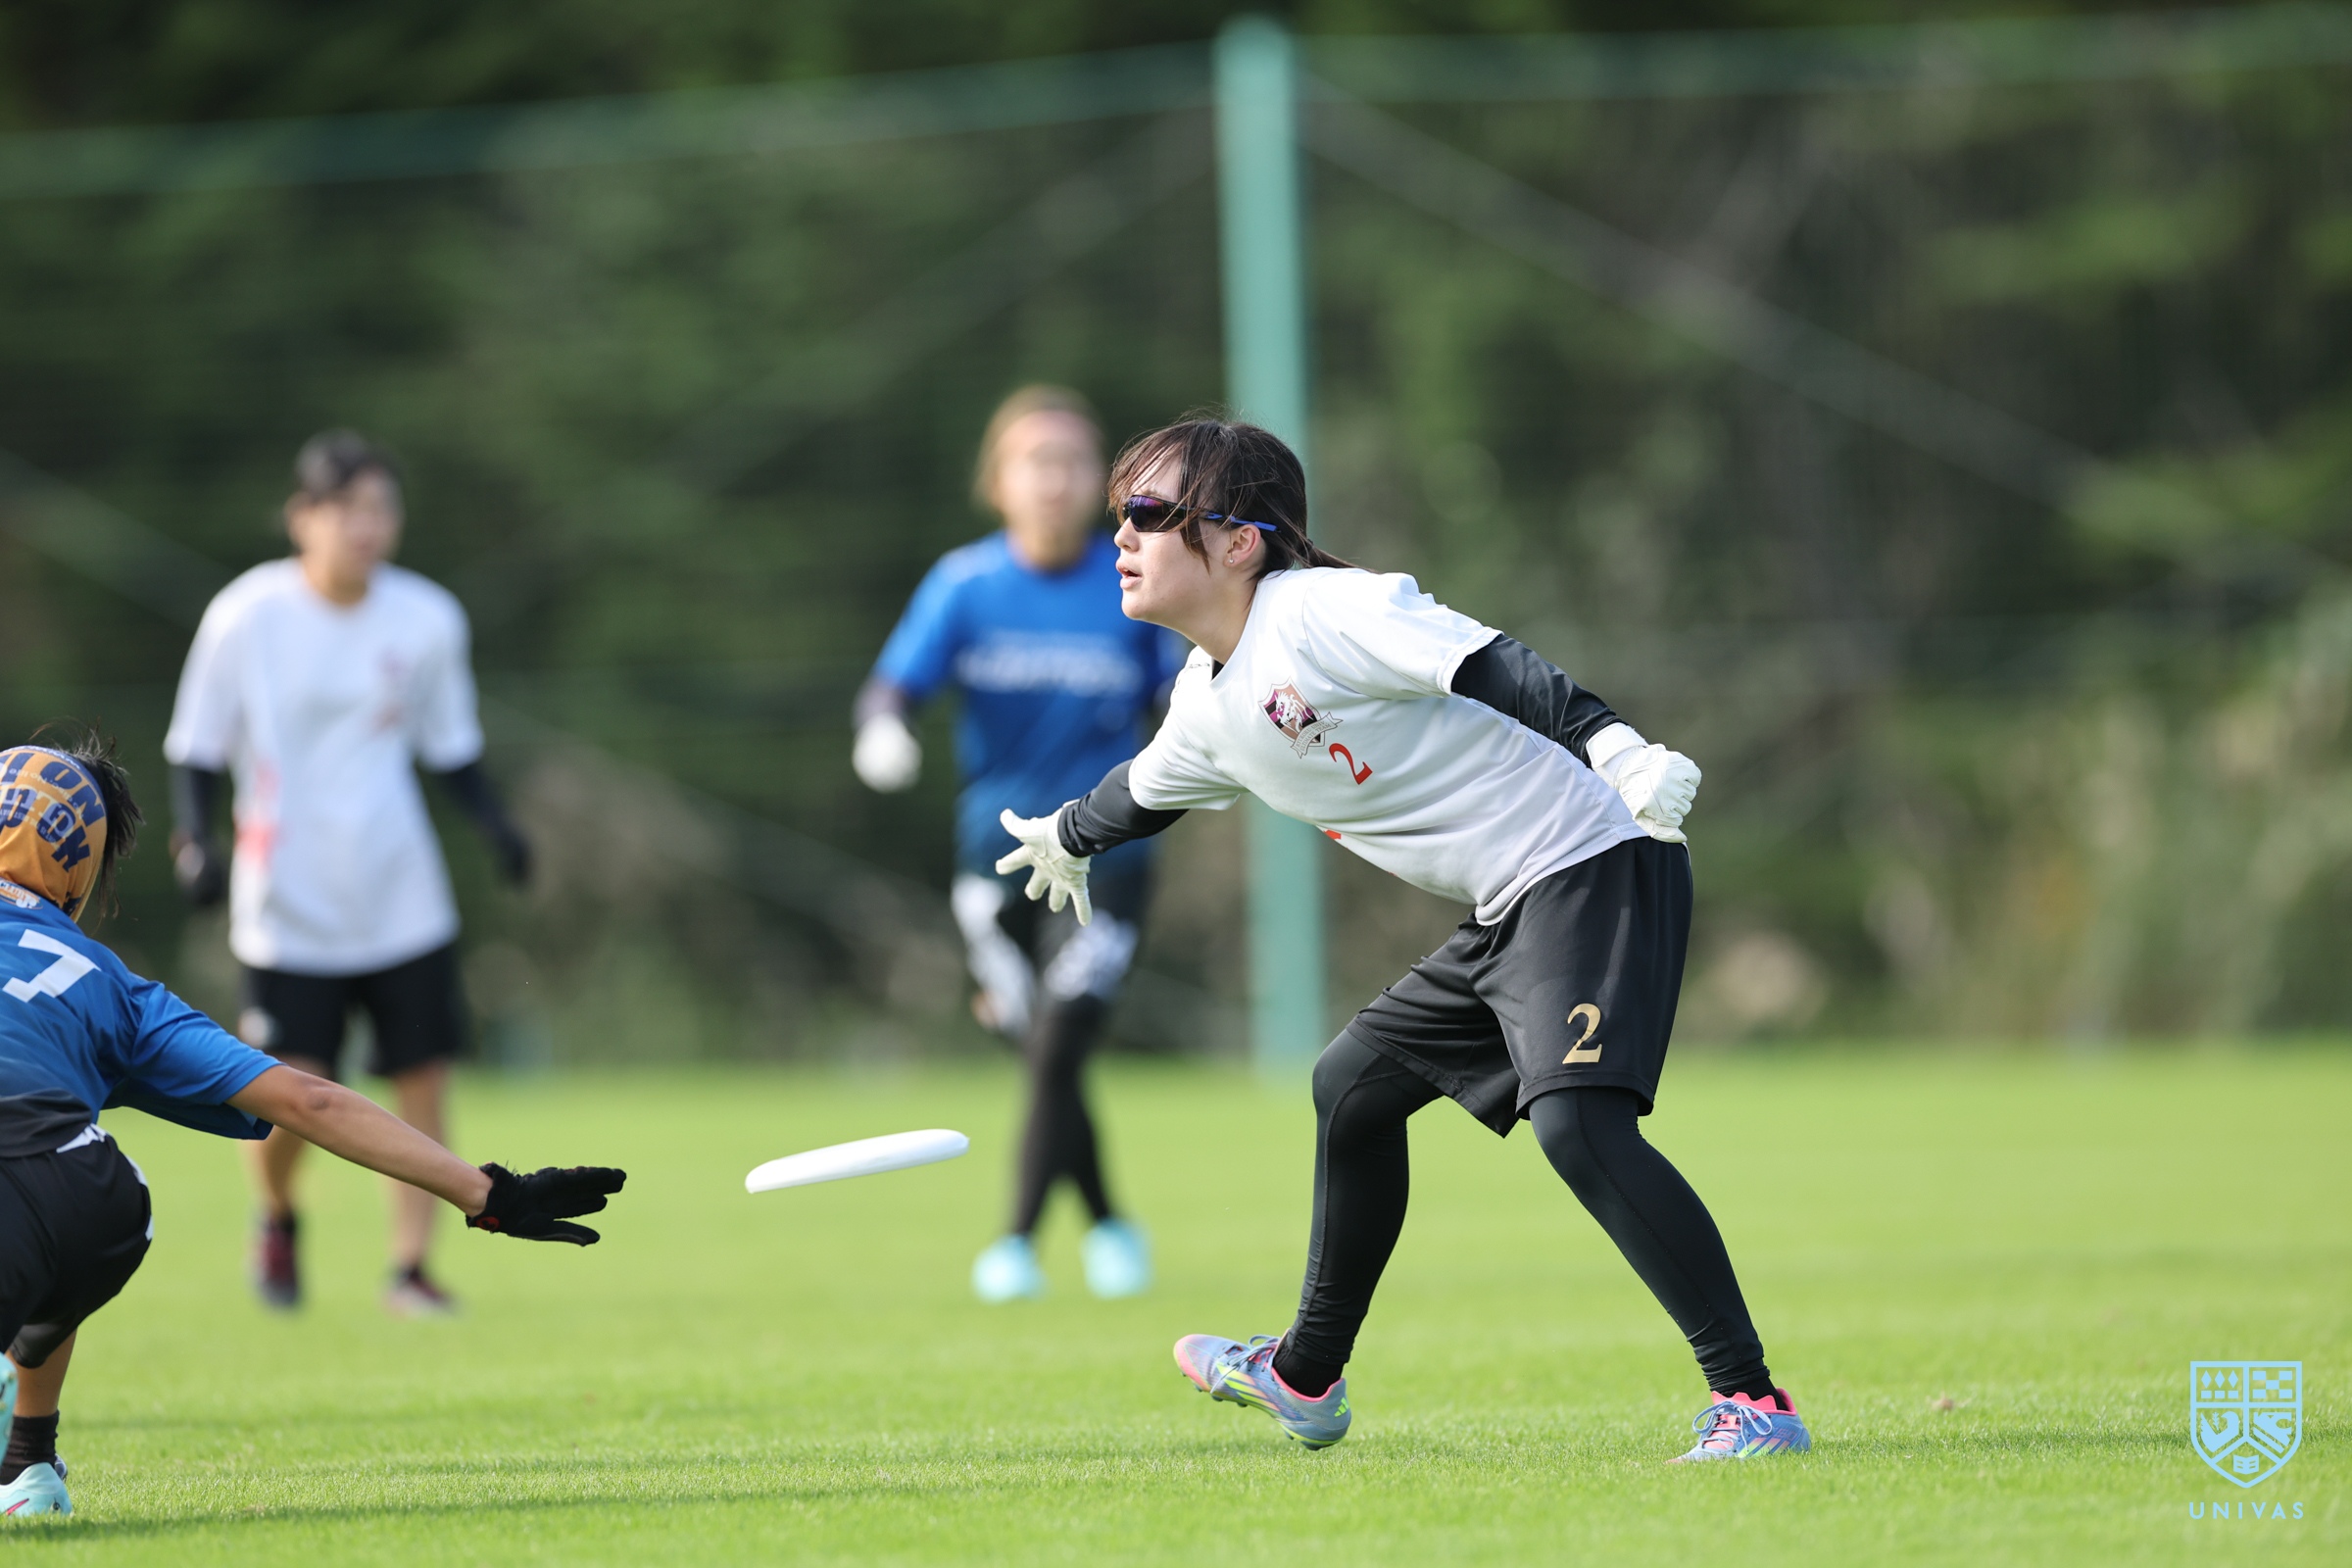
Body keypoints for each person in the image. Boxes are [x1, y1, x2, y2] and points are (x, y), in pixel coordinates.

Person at [994, 416, 1810, 1462]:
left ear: (1240, 541)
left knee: (1580, 1127)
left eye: (1150, 511)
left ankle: (1754, 1402)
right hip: (1510, 905)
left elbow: (1491, 663)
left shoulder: (1324, 610)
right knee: (1353, 1090)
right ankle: (1303, 1376)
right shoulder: (1205, 700)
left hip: (1594, 857)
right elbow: (1143, 791)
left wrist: (1615, 746)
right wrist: (1066, 835)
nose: (1122, 534)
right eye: (1123, 512)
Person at [0, 733, 623, 1519]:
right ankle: (29, 1464)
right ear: (80, 873)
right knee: (51, 1221)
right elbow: (310, 1101)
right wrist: (488, 1193)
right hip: (97, 1199)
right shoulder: (113, 985)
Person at [163, 430, 533, 1318]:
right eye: (347, 509)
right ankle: (277, 1213)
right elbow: (197, 745)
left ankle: (410, 1269)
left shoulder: (427, 617)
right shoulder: (247, 614)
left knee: (421, 1081)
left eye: (381, 509)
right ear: (303, 517)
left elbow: (451, 746)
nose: (367, 527)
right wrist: (194, 839)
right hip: (289, 902)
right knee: (289, 1091)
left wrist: (497, 826)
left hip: (401, 893)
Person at [854, 386, 1179, 1302]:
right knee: (1042, 1050)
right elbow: (892, 685)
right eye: (1037, 461)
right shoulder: (964, 585)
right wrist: (883, 728)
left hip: (1108, 856)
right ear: (997, 481)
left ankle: (1016, 1244)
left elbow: (1181, 694)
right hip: (991, 864)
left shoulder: (1133, 579)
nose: (1056, 480)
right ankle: (1110, 1223)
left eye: (1074, 462)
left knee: (1061, 1034)